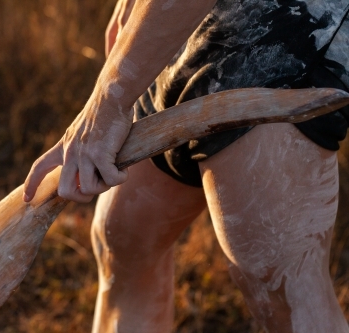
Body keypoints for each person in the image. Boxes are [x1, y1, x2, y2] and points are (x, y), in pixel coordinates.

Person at [24, 0, 349, 332]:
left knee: (278, 284)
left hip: (291, 27)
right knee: (125, 238)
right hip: (193, 18)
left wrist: (108, 101)